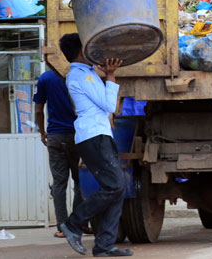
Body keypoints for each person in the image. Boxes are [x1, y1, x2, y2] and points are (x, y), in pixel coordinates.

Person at [58, 33, 132, 257]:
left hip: (97, 135)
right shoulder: (82, 77)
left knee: (116, 189)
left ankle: (104, 245)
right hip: (93, 136)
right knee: (115, 187)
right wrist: (111, 76)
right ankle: (73, 224)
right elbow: (110, 104)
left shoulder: (87, 73)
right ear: (82, 52)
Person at [34, 69, 82, 238]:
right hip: (78, 135)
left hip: (55, 136)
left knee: (59, 183)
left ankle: (62, 227)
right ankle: (78, 224)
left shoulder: (45, 78)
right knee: (80, 181)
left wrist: (42, 132)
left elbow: (39, 110)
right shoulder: (79, 74)